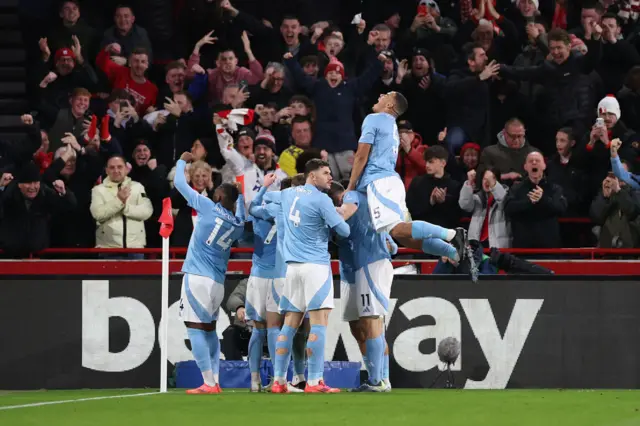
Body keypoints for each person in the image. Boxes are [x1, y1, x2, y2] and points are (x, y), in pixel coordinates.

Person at [346, 91, 467, 264]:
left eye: (386, 95)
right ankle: (453, 252)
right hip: (392, 181)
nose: (380, 95)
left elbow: (361, 155)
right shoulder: (391, 126)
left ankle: (452, 234)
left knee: (396, 230)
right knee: (405, 238)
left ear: (389, 105)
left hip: (379, 181)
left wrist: (351, 185)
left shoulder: (374, 119)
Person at [270, 159, 350, 394]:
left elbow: (265, 200)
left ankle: (278, 381)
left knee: (289, 326)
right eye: (325, 173)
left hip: (292, 268)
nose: (330, 177)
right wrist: (336, 215)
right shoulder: (321, 199)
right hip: (315, 267)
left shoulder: (287, 194)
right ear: (312, 177)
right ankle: (314, 382)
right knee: (319, 323)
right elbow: (343, 231)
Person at [173, 151, 246, 395]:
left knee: (194, 328)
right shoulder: (236, 225)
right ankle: (214, 379)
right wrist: (242, 198)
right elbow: (242, 217)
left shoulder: (207, 207)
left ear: (218, 195)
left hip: (197, 278)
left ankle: (207, 382)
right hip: (217, 283)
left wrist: (183, 161)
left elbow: (179, 183)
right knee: (210, 329)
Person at [328, 182, 394, 392]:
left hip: (367, 267)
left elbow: (392, 246)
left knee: (372, 321)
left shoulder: (359, 206)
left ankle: (381, 379)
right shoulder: (329, 220)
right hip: (348, 272)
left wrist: (386, 240)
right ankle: (375, 375)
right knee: (357, 328)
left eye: (341, 202)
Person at [249, 173, 308, 393]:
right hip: (290, 271)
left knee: (262, 328)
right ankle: (287, 379)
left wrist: (264, 188)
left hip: (264, 272)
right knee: (294, 327)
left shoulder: (272, 206)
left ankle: (261, 380)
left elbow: (252, 208)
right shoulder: (302, 207)